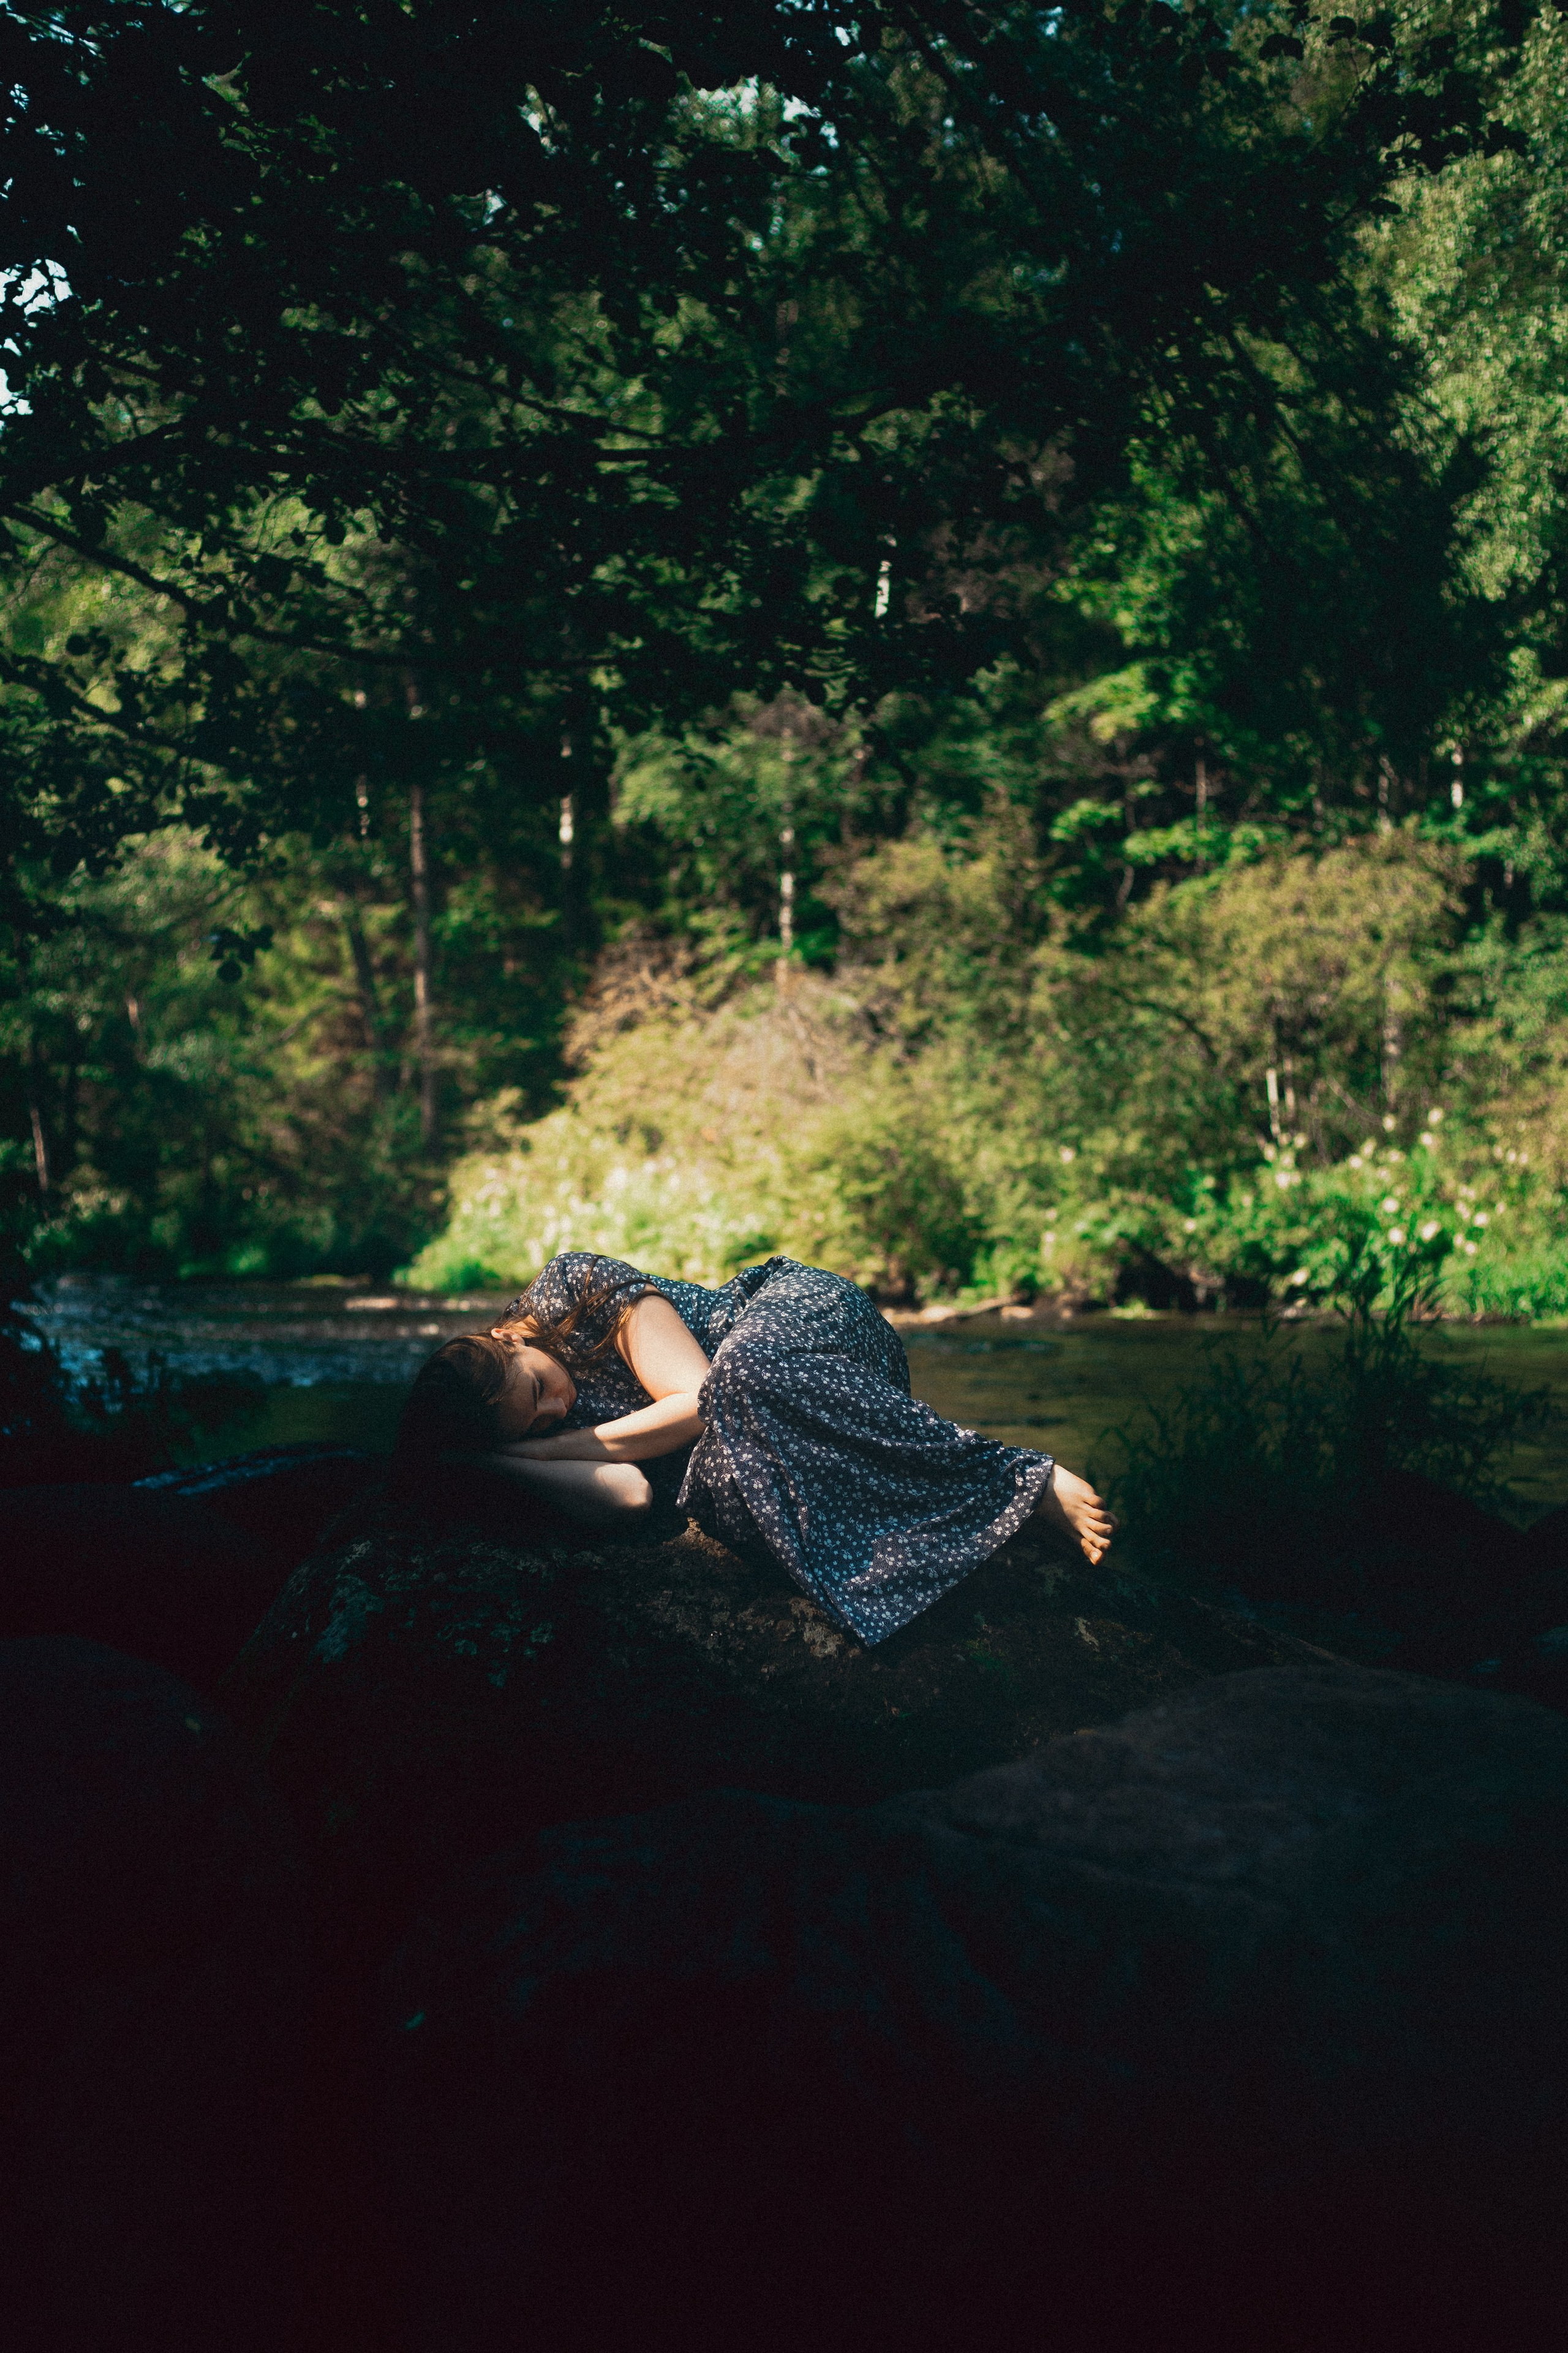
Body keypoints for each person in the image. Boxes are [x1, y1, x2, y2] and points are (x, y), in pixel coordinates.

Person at [398, 1250, 1113, 1647]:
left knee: (743, 1379)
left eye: (537, 1388)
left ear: (509, 1340)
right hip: (776, 1421)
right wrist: (504, 1461)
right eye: (534, 1424)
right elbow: (628, 1496)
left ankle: (1019, 1479)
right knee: (722, 1488)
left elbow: (699, 1399)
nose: (557, 1410)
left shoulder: (572, 1287)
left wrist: (558, 1444)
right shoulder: (522, 1434)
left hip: (805, 1331)